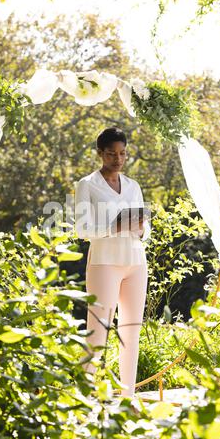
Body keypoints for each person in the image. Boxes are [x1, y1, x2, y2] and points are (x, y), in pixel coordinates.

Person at [74, 127, 150, 398]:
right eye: (111, 154)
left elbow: (145, 229)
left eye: (122, 153)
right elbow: (82, 229)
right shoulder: (87, 184)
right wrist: (116, 226)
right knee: (97, 331)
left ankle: (128, 397)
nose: (117, 159)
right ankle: (84, 400)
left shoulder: (133, 185)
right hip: (104, 263)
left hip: (136, 263)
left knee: (131, 331)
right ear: (100, 154)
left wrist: (140, 228)